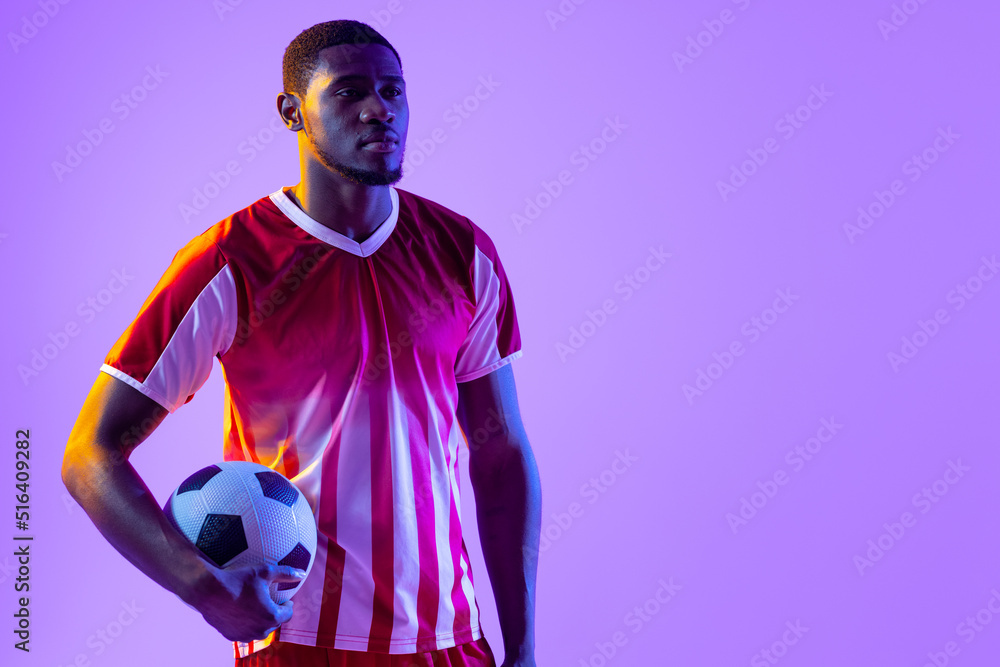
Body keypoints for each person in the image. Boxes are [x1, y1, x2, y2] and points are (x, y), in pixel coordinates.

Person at [61, 19, 541, 667]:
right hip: (296, 642)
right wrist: (202, 586)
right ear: (293, 111)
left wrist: (522, 647)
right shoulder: (231, 259)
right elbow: (89, 453)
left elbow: (501, 454)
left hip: (451, 642)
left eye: (393, 90)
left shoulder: (463, 252)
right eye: (347, 92)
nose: (379, 108)